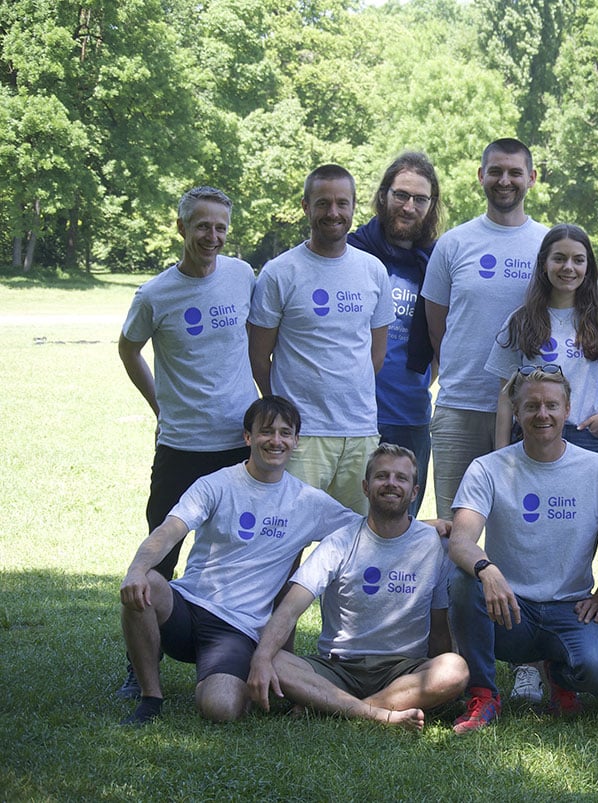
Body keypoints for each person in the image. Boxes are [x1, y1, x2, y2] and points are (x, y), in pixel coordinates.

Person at [117, 396, 360, 726]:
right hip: (186, 608)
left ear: (296, 442)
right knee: (146, 585)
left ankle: (232, 678)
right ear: (248, 437)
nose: (276, 441)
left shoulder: (308, 502)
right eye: (266, 431)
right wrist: (136, 569)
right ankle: (150, 696)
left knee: (221, 709)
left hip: (237, 630)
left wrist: (430, 527)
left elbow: (367, 529)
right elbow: (169, 530)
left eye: (285, 433)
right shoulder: (216, 484)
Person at [115, 186, 258, 699]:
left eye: (221, 227)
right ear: (181, 229)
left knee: (234, 551)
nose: (212, 237)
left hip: (237, 442)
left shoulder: (243, 276)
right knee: (158, 559)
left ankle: (236, 648)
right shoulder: (155, 294)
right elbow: (129, 349)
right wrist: (159, 405)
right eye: (203, 226)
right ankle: (141, 665)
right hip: (180, 445)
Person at [446, 368, 598, 733]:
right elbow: (461, 540)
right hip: (508, 608)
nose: (542, 414)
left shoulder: (596, 470)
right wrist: (487, 569)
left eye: (551, 405)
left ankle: (560, 676)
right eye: (531, 406)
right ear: (515, 410)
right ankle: (484, 695)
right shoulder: (489, 469)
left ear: (567, 408)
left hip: (570, 608)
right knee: (464, 582)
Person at [247, 444, 468, 731]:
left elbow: (439, 627)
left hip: (402, 670)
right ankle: (377, 714)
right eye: (382, 476)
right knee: (275, 660)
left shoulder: (432, 545)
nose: (391, 483)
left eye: (401, 478)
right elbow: (289, 609)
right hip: (338, 667)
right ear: (366, 486)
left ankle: (332, 706)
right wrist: (261, 658)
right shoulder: (339, 542)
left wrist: (447, 686)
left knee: (455, 668)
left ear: (414, 492)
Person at [248, 164, 392, 514]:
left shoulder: (373, 270)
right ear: (305, 207)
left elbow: (376, 353)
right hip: (301, 436)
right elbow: (258, 357)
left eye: (342, 203)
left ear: (354, 207)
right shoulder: (280, 273)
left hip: (360, 432)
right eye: (323, 203)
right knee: (285, 538)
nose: (333, 212)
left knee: (360, 538)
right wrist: (286, 414)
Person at [421, 138, 549, 519]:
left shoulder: (547, 244)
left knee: (519, 526)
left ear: (532, 178)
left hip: (529, 410)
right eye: (495, 171)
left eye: (514, 172)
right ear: (481, 176)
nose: (504, 180)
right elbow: (437, 327)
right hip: (460, 407)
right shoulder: (454, 244)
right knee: (453, 525)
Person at [347, 152, 442, 516]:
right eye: (401, 195)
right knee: (346, 530)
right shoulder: (351, 253)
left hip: (410, 417)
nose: (408, 206)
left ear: (431, 205)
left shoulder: (434, 263)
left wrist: (424, 378)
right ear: (384, 194)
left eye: (420, 199)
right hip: (352, 417)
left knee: (400, 529)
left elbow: (441, 337)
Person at [487, 224, 598, 458]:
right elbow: (506, 395)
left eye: (578, 260)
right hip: (532, 433)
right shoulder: (520, 321)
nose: (568, 267)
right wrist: (501, 454)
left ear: (588, 267)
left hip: (587, 436)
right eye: (559, 258)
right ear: (544, 264)